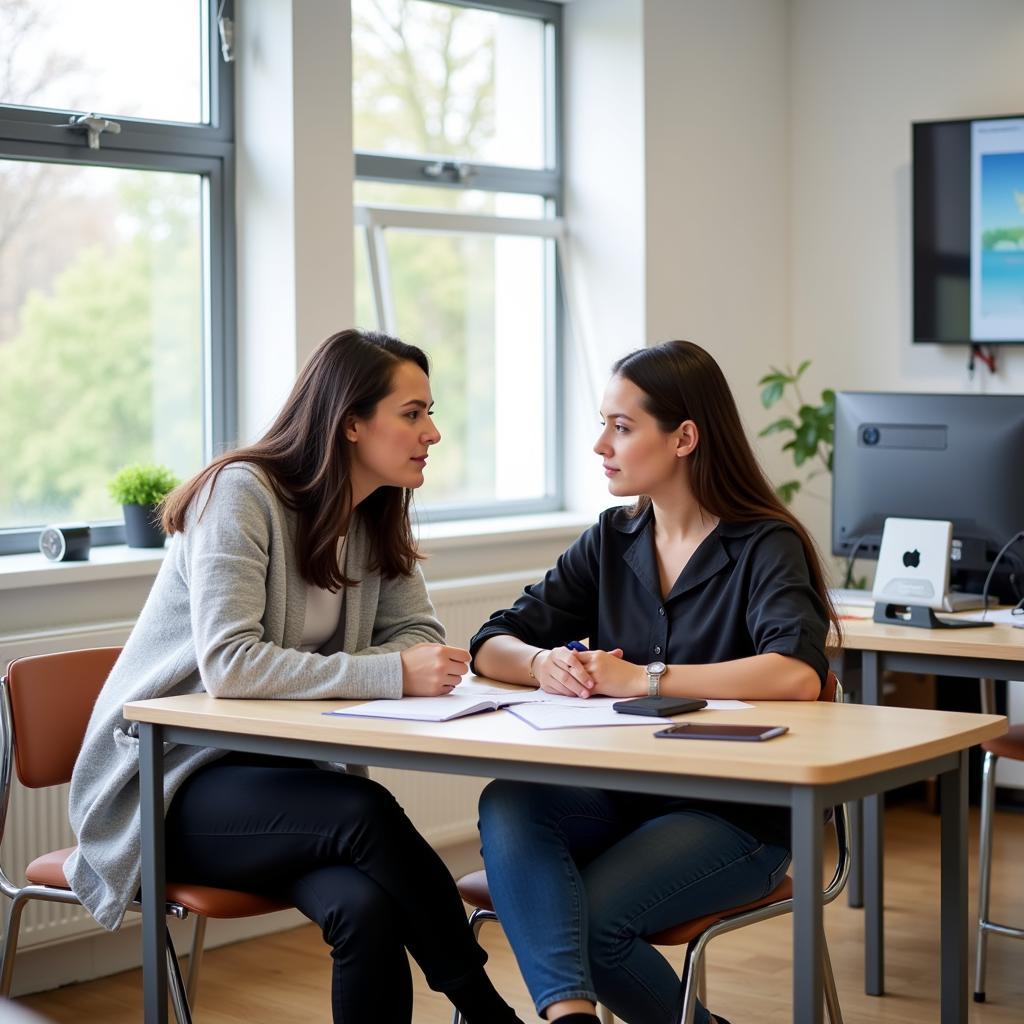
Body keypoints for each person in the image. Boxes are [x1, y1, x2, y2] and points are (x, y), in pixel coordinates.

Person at [67, 329, 523, 1024]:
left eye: (431, 413)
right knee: (362, 813)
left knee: (364, 908)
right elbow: (232, 664)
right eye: (412, 413)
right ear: (350, 423)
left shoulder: (372, 512)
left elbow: (419, 636)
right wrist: (390, 674)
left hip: (278, 784)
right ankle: (487, 1011)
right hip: (166, 787)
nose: (432, 432)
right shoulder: (240, 494)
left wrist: (395, 666)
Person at [471, 340, 840, 1024]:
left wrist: (644, 677)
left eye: (621, 426)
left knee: (591, 925)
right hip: (627, 799)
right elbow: (491, 641)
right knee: (511, 800)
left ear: (684, 438)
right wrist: (540, 663)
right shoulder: (612, 539)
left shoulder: (764, 544)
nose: (599, 445)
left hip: (736, 815)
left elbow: (795, 674)